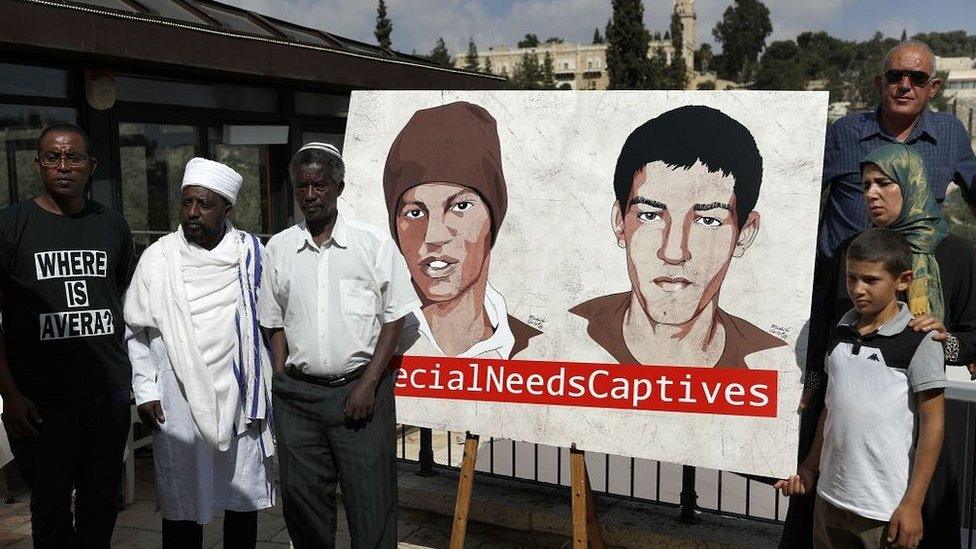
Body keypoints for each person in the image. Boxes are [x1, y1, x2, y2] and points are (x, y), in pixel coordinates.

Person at [796, 144, 975, 549]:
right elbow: (832, 326)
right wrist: (813, 381)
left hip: (920, 428)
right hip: (851, 449)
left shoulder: (956, 254)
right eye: (865, 186)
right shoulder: (855, 251)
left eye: (884, 183)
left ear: (911, 184)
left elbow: (973, 337)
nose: (871, 194)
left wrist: (940, 342)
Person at [259, 142, 418, 548]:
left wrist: (367, 384)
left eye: (320, 186)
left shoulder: (373, 244)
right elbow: (272, 321)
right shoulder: (279, 248)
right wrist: (281, 379)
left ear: (339, 187)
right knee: (303, 505)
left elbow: (395, 316)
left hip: (360, 397)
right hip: (299, 398)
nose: (310, 196)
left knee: (372, 507)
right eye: (302, 187)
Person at [124, 158, 275, 548]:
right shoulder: (158, 258)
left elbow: (273, 321)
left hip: (241, 399)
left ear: (227, 210)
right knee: (182, 503)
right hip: (177, 399)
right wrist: (146, 391)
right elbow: (136, 331)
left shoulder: (251, 256)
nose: (192, 212)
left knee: (241, 500)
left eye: (204, 204)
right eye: (187, 202)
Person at [569, 105, 785, 368]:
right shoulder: (564, 337)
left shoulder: (772, 364)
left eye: (708, 221)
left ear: (744, 234)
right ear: (619, 222)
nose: (674, 252)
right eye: (650, 216)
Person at [0, 123, 134, 547]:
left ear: (91, 166)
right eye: (53, 157)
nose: (63, 166)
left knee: (101, 504)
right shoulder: (10, 225)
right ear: (38, 164)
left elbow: (125, 300)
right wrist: (10, 394)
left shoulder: (112, 225)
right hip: (40, 403)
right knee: (51, 509)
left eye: (73, 157)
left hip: (105, 396)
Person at [778, 227, 946, 549]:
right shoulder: (840, 330)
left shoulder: (920, 341)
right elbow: (831, 407)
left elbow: (933, 426)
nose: (858, 288)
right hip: (829, 501)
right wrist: (810, 468)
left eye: (870, 280)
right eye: (851, 278)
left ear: (903, 280)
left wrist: (912, 504)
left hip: (883, 511)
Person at [383, 101, 541, 359]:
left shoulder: (533, 349)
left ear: (494, 216)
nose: (434, 236)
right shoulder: (373, 336)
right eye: (415, 213)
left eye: (460, 206)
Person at [818, 40, 976, 261]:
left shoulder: (950, 134)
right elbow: (800, 197)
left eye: (918, 78)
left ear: (933, 88)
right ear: (879, 84)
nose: (905, 85)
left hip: (916, 280)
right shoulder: (844, 133)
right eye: (894, 76)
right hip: (844, 280)